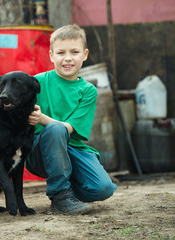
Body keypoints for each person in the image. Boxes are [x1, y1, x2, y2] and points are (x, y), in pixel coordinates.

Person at [27, 24, 117, 215]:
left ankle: (67, 189)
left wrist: (41, 117)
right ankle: (60, 197)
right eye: (61, 52)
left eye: (74, 52)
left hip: (72, 148)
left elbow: (68, 128)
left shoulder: (88, 91)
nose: (68, 58)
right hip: (39, 151)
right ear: (51, 55)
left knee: (103, 188)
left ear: (84, 54)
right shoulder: (36, 82)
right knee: (54, 130)